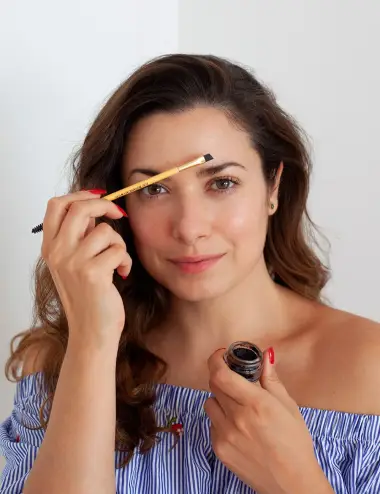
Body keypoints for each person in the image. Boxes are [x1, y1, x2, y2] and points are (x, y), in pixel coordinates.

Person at [1, 53, 380, 494]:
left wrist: (294, 481)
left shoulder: (370, 371)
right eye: (154, 189)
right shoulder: (60, 365)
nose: (189, 228)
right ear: (114, 205)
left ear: (273, 186)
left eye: (221, 183)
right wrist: (93, 340)